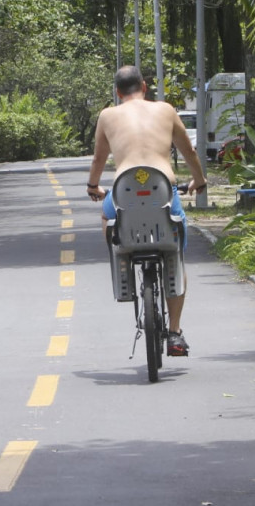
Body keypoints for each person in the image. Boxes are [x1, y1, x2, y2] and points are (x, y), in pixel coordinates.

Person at [87, 65, 207, 356]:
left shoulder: (107, 115)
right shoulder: (165, 110)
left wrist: (93, 186)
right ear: (144, 86)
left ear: (118, 92)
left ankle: (120, 252)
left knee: (106, 216)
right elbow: (189, 151)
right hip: (163, 193)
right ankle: (175, 333)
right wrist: (199, 180)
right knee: (175, 256)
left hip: (122, 196)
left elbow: (99, 159)